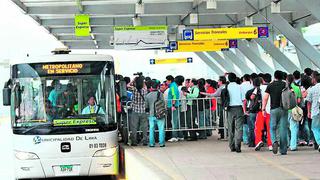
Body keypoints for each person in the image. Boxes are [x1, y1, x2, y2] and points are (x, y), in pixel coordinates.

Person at [262, 70, 288, 155]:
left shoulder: (270, 85)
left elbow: (265, 98)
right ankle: (283, 150)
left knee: (272, 127)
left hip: (273, 109)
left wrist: (263, 108)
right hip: (284, 109)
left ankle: (274, 142)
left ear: (275, 76)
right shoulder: (285, 84)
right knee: (283, 129)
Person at [225, 73, 246, 153]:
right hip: (239, 108)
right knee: (239, 128)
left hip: (230, 109)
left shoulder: (227, 87)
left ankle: (231, 146)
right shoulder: (239, 87)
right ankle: (238, 145)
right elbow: (244, 100)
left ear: (229, 79)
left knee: (231, 127)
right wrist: (244, 110)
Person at [255, 74, 273, 151]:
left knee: (258, 128)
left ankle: (258, 141)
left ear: (263, 80)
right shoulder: (272, 87)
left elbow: (252, 96)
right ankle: (270, 144)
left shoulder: (259, 88)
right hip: (271, 110)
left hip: (261, 111)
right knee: (270, 128)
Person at [145, 80, 165, 147]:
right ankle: (161, 143)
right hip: (160, 114)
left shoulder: (147, 95)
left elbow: (146, 106)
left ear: (151, 87)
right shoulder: (160, 94)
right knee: (161, 129)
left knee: (151, 129)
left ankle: (151, 143)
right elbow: (163, 103)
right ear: (158, 87)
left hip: (151, 114)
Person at [130, 76, 148, 146]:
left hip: (135, 110)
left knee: (134, 127)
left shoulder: (134, 89)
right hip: (143, 110)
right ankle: (145, 141)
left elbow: (128, 85)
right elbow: (145, 86)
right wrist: (143, 82)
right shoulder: (145, 90)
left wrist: (133, 80)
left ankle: (134, 141)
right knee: (144, 127)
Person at [287, 74, 302, 151]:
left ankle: (286, 144)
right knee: (293, 128)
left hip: (285, 110)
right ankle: (293, 146)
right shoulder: (297, 88)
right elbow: (299, 101)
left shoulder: (284, 88)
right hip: (294, 111)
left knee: (285, 128)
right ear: (293, 80)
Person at [245, 78, 261, 148]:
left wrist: (245, 110)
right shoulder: (262, 91)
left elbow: (246, 101)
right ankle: (259, 140)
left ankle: (251, 142)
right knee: (259, 128)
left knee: (251, 128)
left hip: (251, 111)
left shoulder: (249, 92)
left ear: (253, 83)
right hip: (260, 111)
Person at [306, 72, 320, 152]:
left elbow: (308, 102)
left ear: (314, 79)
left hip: (315, 111)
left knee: (314, 128)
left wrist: (308, 112)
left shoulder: (312, 89)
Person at [166, 75, 181, 142]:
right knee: (176, 121)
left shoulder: (172, 86)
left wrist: (173, 105)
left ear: (169, 80)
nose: (166, 82)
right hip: (174, 105)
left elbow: (174, 96)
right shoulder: (174, 85)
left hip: (173, 106)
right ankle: (179, 136)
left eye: (167, 80)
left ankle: (174, 136)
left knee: (174, 122)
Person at [241, 74, 254, 146]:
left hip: (246, 106)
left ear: (243, 79)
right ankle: (251, 139)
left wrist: (244, 110)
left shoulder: (241, 86)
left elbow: (244, 101)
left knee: (245, 123)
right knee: (252, 125)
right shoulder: (252, 86)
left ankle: (245, 139)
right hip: (253, 107)